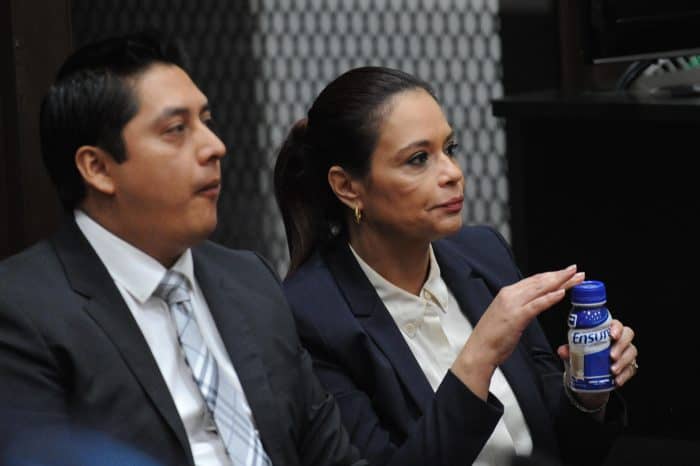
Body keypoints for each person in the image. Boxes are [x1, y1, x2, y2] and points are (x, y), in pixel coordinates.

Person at [0, 32, 365, 466]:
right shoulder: (22, 310)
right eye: (176, 130)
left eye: (206, 121)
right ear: (97, 168)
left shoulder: (249, 280)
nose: (215, 146)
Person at [273, 66, 638, 466]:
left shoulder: (483, 253)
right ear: (347, 187)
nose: (452, 174)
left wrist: (586, 393)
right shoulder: (309, 316)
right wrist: (479, 355)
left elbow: (562, 448)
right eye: (417, 159)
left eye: (450, 149)